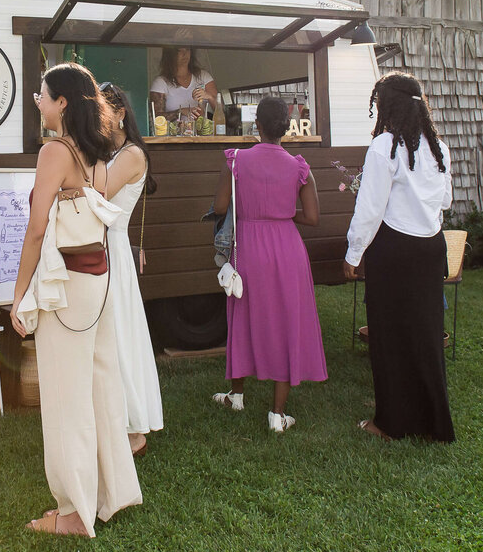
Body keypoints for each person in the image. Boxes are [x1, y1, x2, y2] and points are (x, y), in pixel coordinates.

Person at [10, 63, 141, 537]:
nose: (38, 102)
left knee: (67, 399)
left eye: (41, 95)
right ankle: (112, 492)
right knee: (101, 390)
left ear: (61, 102)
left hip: (68, 287)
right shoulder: (95, 150)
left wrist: (18, 293)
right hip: (97, 282)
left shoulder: (54, 151)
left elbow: (37, 228)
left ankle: (73, 512)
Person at [343, 73, 455, 443]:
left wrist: (353, 252)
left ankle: (390, 422)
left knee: (389, 337)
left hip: (394, 250)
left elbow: (370, 209)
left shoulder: (383, 147)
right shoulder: (439, 147)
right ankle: (432, 420)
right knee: (425, 334)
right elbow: (445, 202)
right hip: (430, 247)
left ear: (386, 106)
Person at [210, 96, 326, 432]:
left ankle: (236, 394)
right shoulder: (299, 166)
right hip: (287, 249)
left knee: (242, 316)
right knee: (285, 322)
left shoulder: (235, 161)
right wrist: (284, 215)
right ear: (285, 128)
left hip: (247, 248)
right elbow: (314, 218)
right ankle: (277, 414)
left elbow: (219, 207)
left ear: (256, 125)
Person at [99, 82, 164, 456]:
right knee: (110, 334)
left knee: (119, 334)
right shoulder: (113, 152)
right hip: (105, 245)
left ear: (120, 115)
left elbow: (99, 192)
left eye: (101, 115)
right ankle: (112, 417)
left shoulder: (132, 154)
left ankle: (132, 426)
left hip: (113, 248)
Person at [149, 46, 221, 123]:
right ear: (170, 55)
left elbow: (221, 112)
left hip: (201, 132)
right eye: (179, 51)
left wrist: (209, 96)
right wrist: (180, 112)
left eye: (187, 49)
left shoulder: (203, 76)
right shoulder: (161, 82)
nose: (185, 54)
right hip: (173, 133)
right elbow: (156, 118)